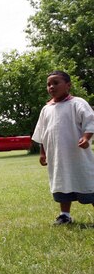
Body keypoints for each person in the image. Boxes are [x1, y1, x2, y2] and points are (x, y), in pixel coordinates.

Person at [32, 71, 94, 225]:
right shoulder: (47, 109)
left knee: (86, 181)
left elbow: (90, 122)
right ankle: (65, 215)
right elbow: (42, 133)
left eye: (56, 83)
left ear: (68, 85)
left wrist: (86, 138)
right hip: (57, 156)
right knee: (61, 182)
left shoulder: (77, 103)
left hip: (77, 154)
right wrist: (42, 153)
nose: (51, 86)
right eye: (48, 84)